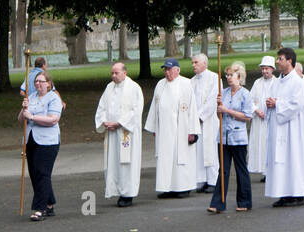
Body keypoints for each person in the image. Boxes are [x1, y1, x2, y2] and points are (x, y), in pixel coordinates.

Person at [265, 48, 304, 206]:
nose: (277, 62)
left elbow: (297, 104)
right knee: (281, 160)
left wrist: (277, 104)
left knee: (293, 159)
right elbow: (271, 99)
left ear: (289, 61)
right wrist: (269, 103)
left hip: (293, 128)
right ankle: (283, 192)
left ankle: (296, 194)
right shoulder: (278, 81)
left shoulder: (297, 82)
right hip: (279, 127)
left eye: (280, 59)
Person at [144, 58, 201, 200]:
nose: (167, 72)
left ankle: (183, 187)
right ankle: (167, 187)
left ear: (177, 70)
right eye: (165, 70)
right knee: (165, 160)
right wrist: (153, 127)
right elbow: (155, 107)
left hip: (181, 129)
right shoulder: (160, 85)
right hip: (164, 130)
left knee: (180, 159)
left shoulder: (186, 84)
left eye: (170, 69)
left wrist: (192, 131)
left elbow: (192, 108)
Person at [95, 62, 144, 206]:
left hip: (126, 132)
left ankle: (128, 194)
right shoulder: (109, 88)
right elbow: (102, 107)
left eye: (116, 73)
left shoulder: (134, 88)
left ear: (125, 73)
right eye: (112, 73)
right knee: (113, 162)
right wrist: (105, 122)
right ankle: (116, 190)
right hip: (112, 132)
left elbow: (136, 111)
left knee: (126, 162)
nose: (113, 76)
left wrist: (119, 123)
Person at [19, 70, 63, 220]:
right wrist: (24, 108)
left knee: (42, 173)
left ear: (49, 84)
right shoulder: (30, 97)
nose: (38, 83)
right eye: (36, 81)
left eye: (41, 81)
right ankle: (49, 203)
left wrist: (32, 116)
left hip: (48, 141)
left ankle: (40, 208)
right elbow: (20, 119)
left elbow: (53, 119)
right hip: (31, 140)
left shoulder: (53, 98)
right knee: (35, 173)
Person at [210, 63, 253, 212]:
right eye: (227, 75)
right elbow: (219, 115)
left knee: (241, 169)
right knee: (223, 170)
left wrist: (226, 110)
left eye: (231, 75)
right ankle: (218, 203)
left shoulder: (245, 94)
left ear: (239, 77)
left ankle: (244, 202)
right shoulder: (224, 92)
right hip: (223, 136)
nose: (228, 78)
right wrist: (219, 109)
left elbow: (247, 116)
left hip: (238, 137)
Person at [190, 54, 221, 193]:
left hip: (209, 120)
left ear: (204, 63)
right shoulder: (191, 81)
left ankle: (213, 181)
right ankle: (200, 179)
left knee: (210, 150)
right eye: (192, 62)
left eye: (196, 62)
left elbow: (213, 99)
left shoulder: (214, 78)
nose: (193, 65)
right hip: (195, 121)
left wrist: (200, 116)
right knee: (198, 151)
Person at [248, 56, 279, 178]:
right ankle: (263, 170)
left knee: (270, 144)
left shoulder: (277, 83)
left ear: (272, 69)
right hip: (259, 119)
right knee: (259, 144)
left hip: (271, 119)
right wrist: (256, 110)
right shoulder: (257, 82)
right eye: (263, 68)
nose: (264, 71)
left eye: (267, 68)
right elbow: (250, 100)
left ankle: (271, 171)